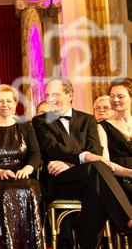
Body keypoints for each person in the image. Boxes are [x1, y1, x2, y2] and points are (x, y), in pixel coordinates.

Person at [32, 77, 132, 249]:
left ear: (69, 95)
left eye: (55, 94)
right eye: (47, 95)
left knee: (95, 191)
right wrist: (82, 159)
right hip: (59, 181)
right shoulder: (40, 121)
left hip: (88, 177)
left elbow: (95, 151)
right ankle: (128, 219)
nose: (50, 99)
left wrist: (73, 163)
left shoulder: (88, 119)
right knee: (96, 170)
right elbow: (53, 149)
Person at [0, 84, 43, 249]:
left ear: (15, 104)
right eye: (0, 101)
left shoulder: (26, 126)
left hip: (24, 176)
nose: (4, 104)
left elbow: (36, 154)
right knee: (5, 191)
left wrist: (28, 169)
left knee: (30, 190)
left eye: (8, 101)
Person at [97, 78, 132, 198]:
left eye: (120, 96)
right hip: (118, 177)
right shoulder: (102, 126)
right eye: (112, 96)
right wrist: (129, 173)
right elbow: (105, 162)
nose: (115, 100)